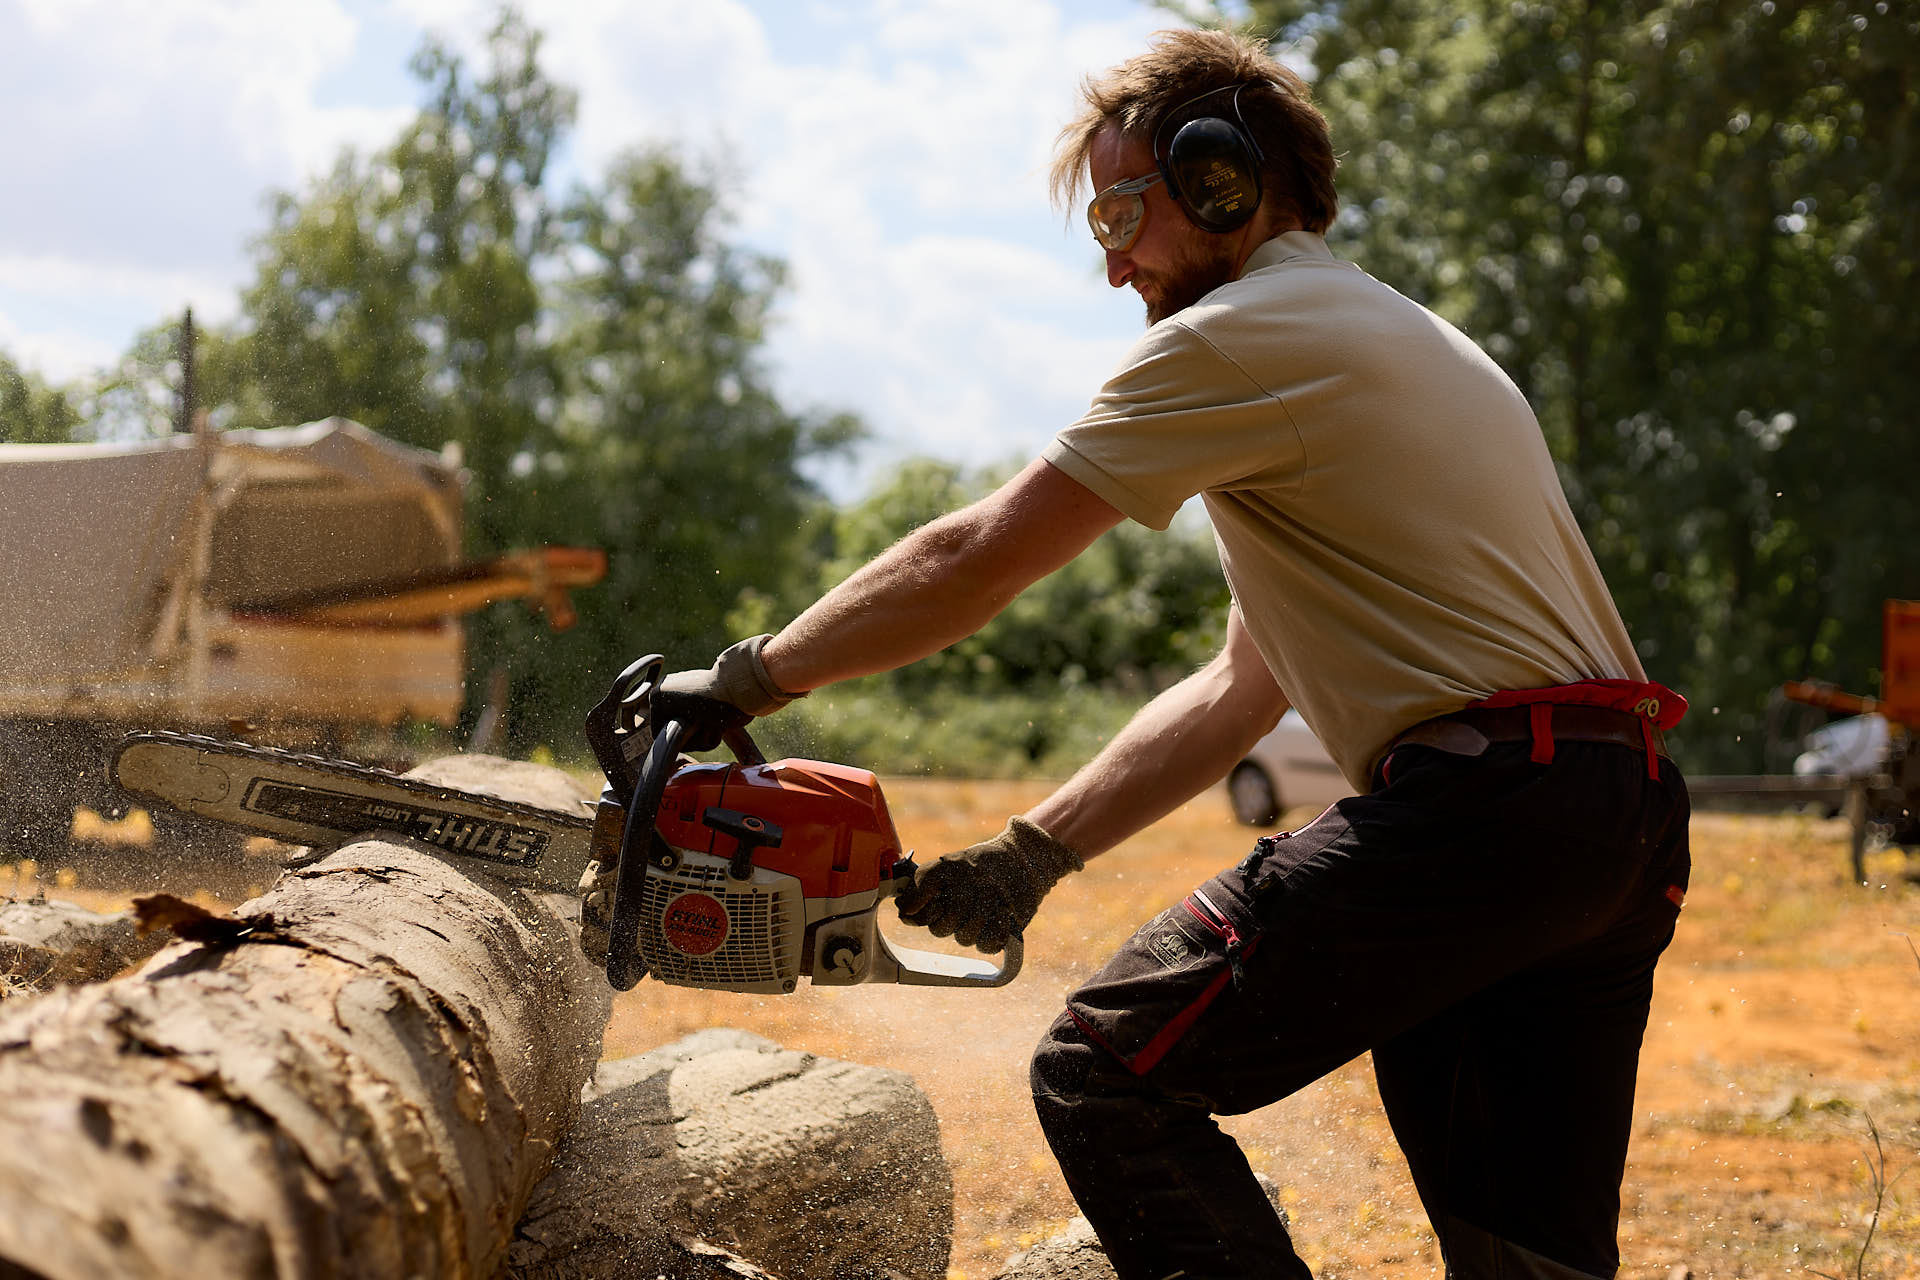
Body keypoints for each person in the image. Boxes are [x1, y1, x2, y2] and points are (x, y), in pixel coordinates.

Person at [655, 27, 1689, 1280]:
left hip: (1486, 807)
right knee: (1520, 1254)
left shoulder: (1243, 336)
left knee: (1103, 1073)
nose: (1116, 269)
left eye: (1119, 220)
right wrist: (1036, 849)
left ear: (1220, 184)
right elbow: (1241, 687)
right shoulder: (1383, 334)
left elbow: (976, 555)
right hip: (1608, 816)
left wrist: (754, 673)